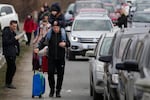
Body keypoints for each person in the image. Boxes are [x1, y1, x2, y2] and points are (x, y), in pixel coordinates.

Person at [34, 22, 70, 98]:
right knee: (50, 74)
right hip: (51, 58)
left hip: (60, 58)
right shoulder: (49, 34)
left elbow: (69, 43)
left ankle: (58, 91)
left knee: (60, 75)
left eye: (57, 28)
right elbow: (42, 42)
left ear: (60, 28)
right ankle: (52, 89)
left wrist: (65, 44)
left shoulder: (63, 34)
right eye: (54, 28)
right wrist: (38, 48)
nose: (55, 29)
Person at [2, 20, 21, 89]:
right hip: (8, 52)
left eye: (15, 26)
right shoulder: (6, 31)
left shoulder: (13, 32)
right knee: (12, 68)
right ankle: (8, 83)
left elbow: (15, 42)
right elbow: (5, 42)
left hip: (12, 52)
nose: (14, 28)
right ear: (10, 25)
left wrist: (18, 51)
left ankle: (8, 83)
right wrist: (14, 39)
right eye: (13, 26)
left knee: (10, 68)